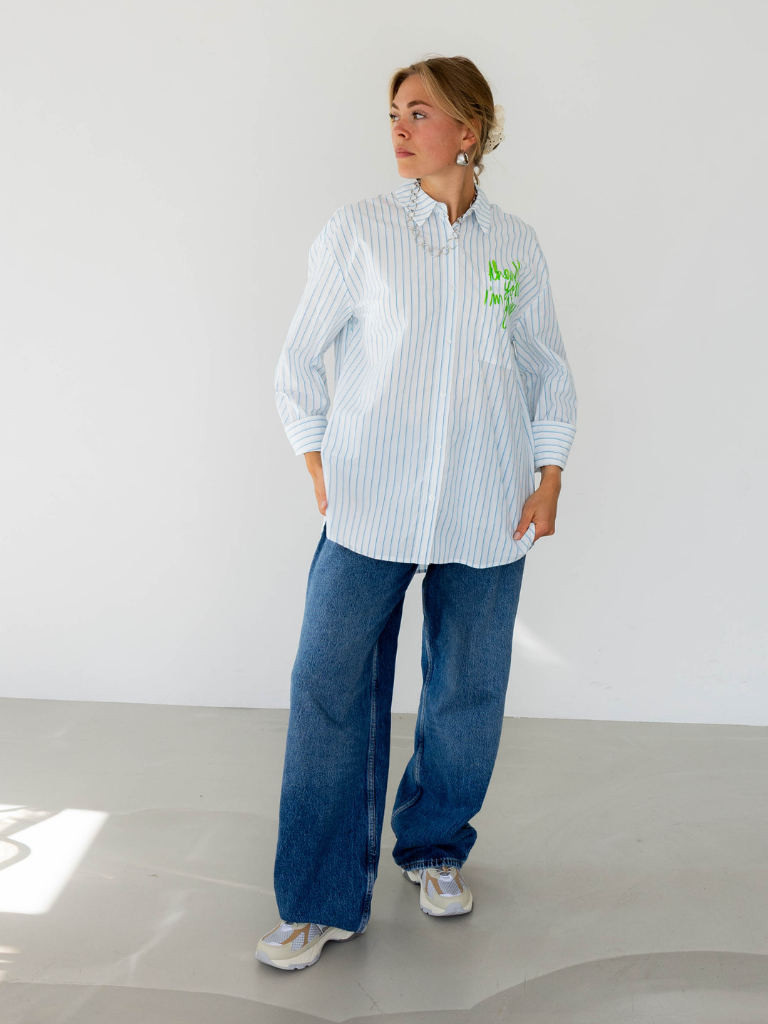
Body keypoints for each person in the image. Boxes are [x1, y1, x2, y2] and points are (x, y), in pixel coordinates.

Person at [256, 55, 578, 971]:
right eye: (394, 113)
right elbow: (297, 358)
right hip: (370, 503)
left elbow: (546, 366)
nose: (398, 128)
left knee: (467, 692)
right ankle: (318, 902)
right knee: (328, 687)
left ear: (468, 132)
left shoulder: (514, 247)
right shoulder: (358, 233)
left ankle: (434, 848)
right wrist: (315, 455)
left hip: (488, 501)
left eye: (419, 113)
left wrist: (550, 473)